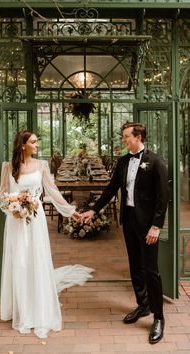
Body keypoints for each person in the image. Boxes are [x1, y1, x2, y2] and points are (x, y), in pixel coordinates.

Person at [0, 130, 94, 338]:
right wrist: (11, 209)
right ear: (22, 145)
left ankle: (37, 304)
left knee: (35, 259)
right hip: (16, 221)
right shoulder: (8, 166)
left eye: (37, 142)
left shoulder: (42, 165)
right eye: (33, 142)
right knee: (19, 261)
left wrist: (70, 211)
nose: (37, 145)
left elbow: (52, 192)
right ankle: (22, 307)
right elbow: (1, 196)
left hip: (36, 219)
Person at [80, 122, 169, 344]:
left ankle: (158, 317)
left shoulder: (156, 161)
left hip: (148, 225)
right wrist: (94, 209)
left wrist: (156, 226)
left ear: (138, 136)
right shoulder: (122, 161)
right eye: (123, 136)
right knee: (135, 268)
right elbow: (111, 188)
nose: (123, 140)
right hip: (128, 222)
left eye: (126, 136)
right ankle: (143, 305)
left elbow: (163, 198)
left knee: (151, 271)